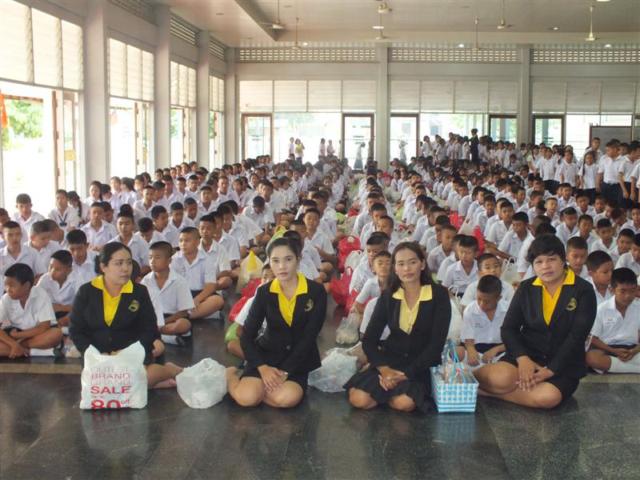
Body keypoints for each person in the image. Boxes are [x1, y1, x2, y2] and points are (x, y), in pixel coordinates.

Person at [474, 234, 597, 409]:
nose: (545, 266)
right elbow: (509, 329)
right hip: (527, 355)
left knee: (548, 398)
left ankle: (487, 392)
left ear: (563, 260)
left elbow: (577, 336)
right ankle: (494, 385)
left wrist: (551, 370)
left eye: (551, 259)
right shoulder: (526, 288)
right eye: (539, 262)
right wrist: (523, 359)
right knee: (500, 378)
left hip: (563, 363)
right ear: (533, 266)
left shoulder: (583, 290)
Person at [345, 242, 451, 413]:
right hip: (390, 361)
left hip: (420, 364)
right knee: (358, 399)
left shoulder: (439, 295)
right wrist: (384, 370)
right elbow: (369, 340)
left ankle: (386, 393)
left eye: (412, 262)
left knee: (404, 403)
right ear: (395, 268)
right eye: (401, 264)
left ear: (422, 264)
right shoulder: (389, 295)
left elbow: (436, 345)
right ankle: (386, 390)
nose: (407, 269)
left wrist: (405, 375)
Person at [226, 237, 327, 409]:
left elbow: (309, 338)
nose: (282, 266)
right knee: (247, 398)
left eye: (288, 259)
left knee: (287, 399)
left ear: (298, 259)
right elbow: (247, 335)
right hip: (266, 355)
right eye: (275, 261)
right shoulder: (264, 292)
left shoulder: (316, 292)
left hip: (297, 359)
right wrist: (262, 368)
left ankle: (260, 390)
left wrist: (286, 371)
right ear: (269, 262)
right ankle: (230, 376)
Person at [69, 242, 182, 389]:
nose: (125, 268)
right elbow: (75, 330)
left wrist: (127, 353)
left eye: (128, 263)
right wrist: (95, 353)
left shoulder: (139, 292)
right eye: (119, 263)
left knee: (129, 383)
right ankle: (154, 382)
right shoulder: (86, 292)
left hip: (132, 357)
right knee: (110, 387)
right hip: (98, 359)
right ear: (103, 267)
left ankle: (168, 371)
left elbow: (149, 330)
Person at [0, 263, 63, 358]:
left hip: (38, 334)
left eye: (12, 285)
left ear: (26, 285)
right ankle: (32, 352)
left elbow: (43, 327)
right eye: (6, 285)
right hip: (15, 334)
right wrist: (13, 344)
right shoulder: (6, 299)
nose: (8, 289)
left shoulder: (40, 294)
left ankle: (18, 349)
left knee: (56, 334)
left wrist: (18, 336)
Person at [586, 268, 640, 374]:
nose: (628, 296)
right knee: (591, 358)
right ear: (612, 289)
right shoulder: (601, 309)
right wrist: (614, 351)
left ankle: (616, 367)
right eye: (622, 291)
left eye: (632, 291)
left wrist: (635, 351)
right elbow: (593, 338)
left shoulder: (638, 306)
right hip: (607, 349)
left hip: (632, 349)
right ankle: (635, 369)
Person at [459, 275, 508, 367]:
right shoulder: (470, 310)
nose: (481, 304)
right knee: (458, 352)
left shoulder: (508, 310)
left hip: (501, 351)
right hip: (476, 348)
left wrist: (496, 349)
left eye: (487, 301)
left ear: (498, 298)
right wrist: (471, 350)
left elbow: (515, 339)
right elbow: (467, 337)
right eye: (479, 299)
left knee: (506, 367)